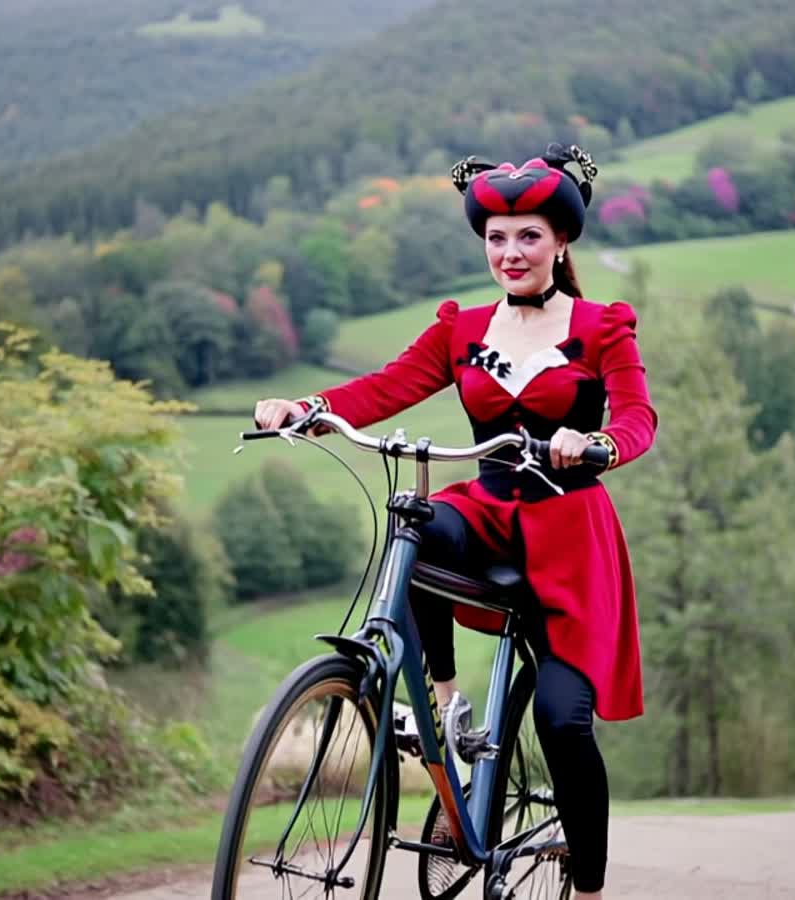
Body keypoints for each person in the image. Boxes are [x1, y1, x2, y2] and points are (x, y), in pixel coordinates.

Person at [253, 143, 655, 900]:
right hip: (491, 512)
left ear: (561, 241)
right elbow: (384, 387)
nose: (510, 252)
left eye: (528, 236)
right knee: (416, 520)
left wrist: (597, 443)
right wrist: (309, 409)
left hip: (570, 540)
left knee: (565, 723)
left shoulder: (602, 327)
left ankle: (593, 891)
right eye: (497, 238)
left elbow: (638, 416)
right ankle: (441, 714)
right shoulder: (460, 330)